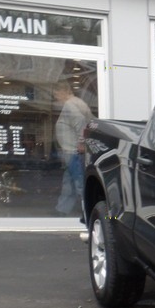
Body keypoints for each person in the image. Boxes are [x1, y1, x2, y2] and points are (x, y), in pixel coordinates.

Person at [53, 82, 92, 216]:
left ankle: (88, 211)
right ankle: (62, 209)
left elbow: (81, 122)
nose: (55, 96)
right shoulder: (77, 103)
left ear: (64, 91)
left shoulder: (70, 105)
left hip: (73, 151)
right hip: (72, 151)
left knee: (79, 182)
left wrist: (81, 143)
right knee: (69, 181)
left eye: (56, 93)